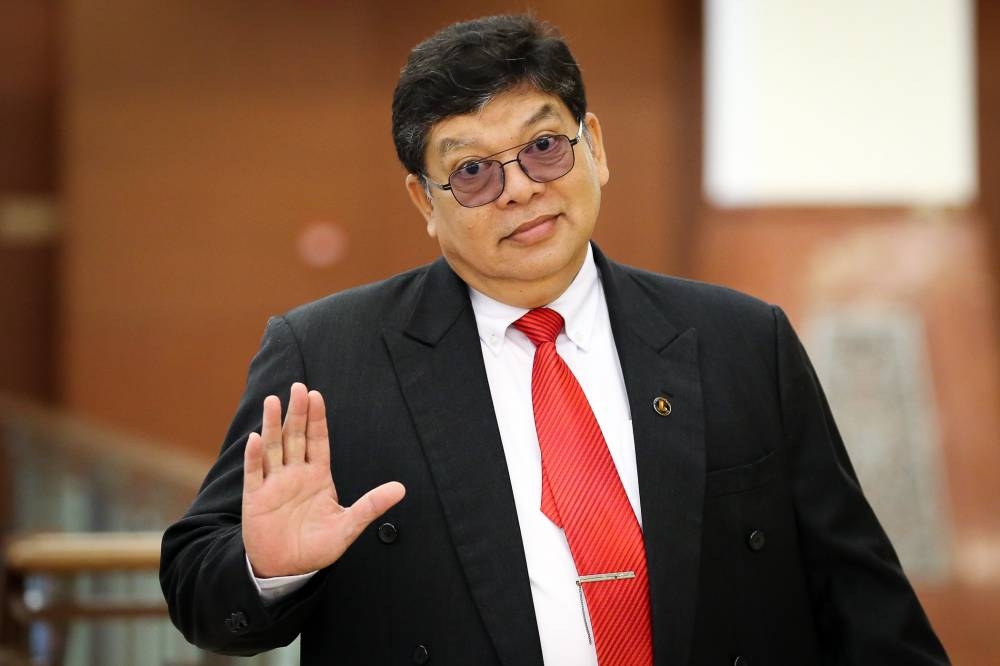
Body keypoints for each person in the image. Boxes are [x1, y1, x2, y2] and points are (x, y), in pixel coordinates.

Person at [160, 14, 949, 666]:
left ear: (595, 147)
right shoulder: (327, 356)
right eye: (472, 171)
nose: (521, 189)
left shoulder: (742, 341)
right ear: (423, 201)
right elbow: (199, 584)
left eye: (544, 146)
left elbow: (864, 604)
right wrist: (269, 570)